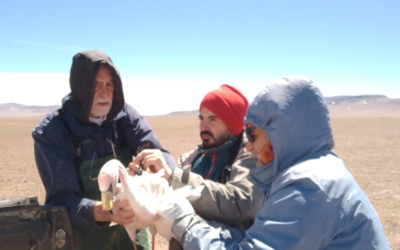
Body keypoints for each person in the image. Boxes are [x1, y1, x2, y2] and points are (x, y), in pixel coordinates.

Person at [155, 76, 390, 249]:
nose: (248, 146)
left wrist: (186, 225)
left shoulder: (308, 186)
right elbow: (261, 238)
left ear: (281, 133)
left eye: (253, 135)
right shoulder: (316, 168)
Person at [32, 50, 177, 250]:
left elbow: (157, 151)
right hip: (85, 240)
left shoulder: (124, 116)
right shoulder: (53, 132)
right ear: (80, 88)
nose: (106, 93)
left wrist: (164, 172)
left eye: (110, 84)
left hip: (132, 236)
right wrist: (105, 210)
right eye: (96, 85)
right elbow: (60, 201)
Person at [129, 85, 264, 249]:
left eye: (213, 119)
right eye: (201, 118)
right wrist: (146, 186)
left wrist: (174, 177)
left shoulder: (252, 157)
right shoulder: (191, 160)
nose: (203, 127)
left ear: (232, 124)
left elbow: (239, 202)